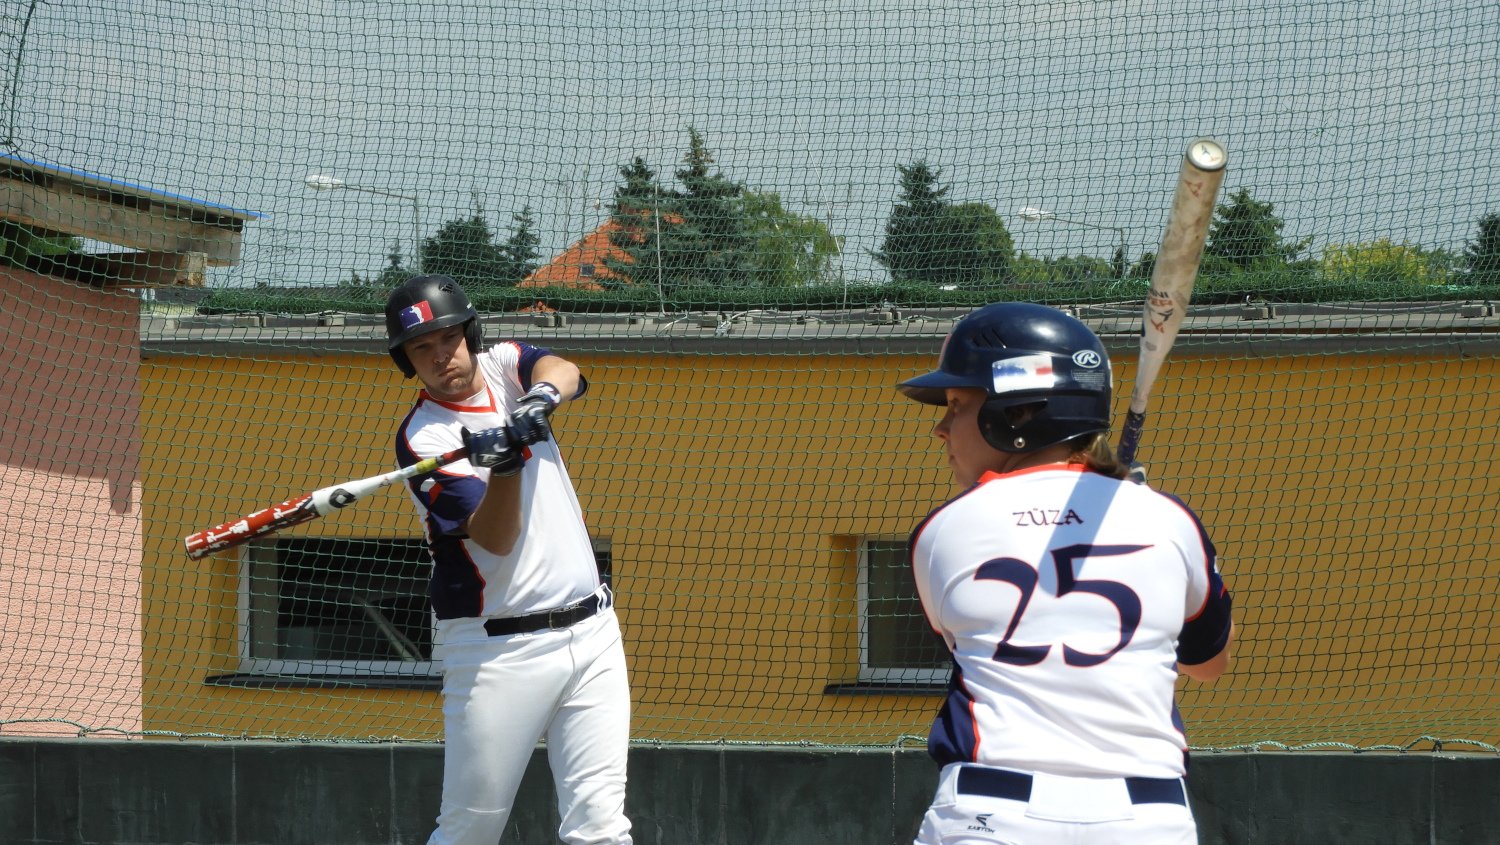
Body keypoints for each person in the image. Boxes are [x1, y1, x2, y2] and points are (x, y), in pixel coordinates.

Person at [896, 302, 1234, 845]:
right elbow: (1208, 664)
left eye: (957, 405)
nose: (941, 428)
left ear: (1018, 413)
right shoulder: (1170, 520)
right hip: (1147, 818)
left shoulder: (943, 531)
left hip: (993, 811)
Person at [384, 274, 633, 845]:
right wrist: (506, 464)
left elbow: (565, 371)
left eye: (449, 337)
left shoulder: (503, 365)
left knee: (601, 827)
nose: (441, 356)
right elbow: (497, 538)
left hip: (594, 633)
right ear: (407, 361)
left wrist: (539, 400)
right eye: (421, 348)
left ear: (470, 334)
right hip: (498, 652)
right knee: (471, 830)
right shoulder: (423, 439)